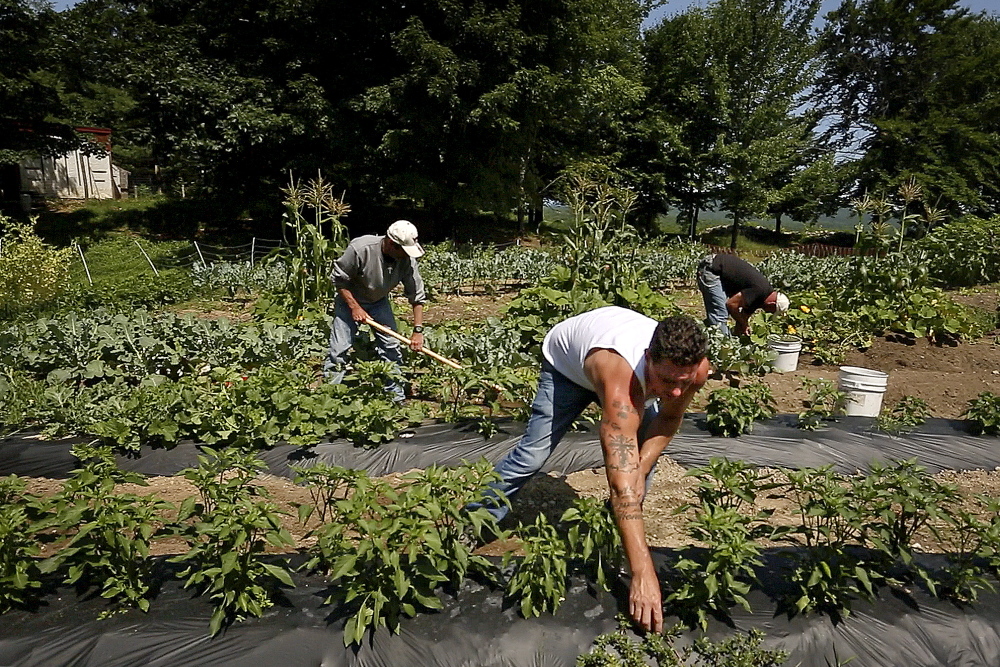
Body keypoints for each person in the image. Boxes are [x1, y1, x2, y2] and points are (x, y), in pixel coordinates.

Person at [483, 306, 710, 633]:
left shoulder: (693, 371)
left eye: (682, 382)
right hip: (568, 364)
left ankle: (614, 529)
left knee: (639, 470)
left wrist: (641, 468)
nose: (676, 392)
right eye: (666, 381)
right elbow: (622, 486)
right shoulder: (622, 386)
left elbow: (669, 418)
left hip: (613, 350)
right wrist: (643, 572)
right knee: (533, 455)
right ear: (648, 359)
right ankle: (473, 518)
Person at [324, 220, 426, 402]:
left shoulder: (406, 260)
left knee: (391, 346)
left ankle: (396, 397)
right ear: (391, 243)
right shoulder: (361, 248)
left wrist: (418, 331)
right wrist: (355, 307)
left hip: (378, 302)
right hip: (349, 301)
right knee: (339, 349)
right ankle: (331, 399)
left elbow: (416, 296)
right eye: (403, 251)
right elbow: (339, 280)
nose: (406, 256)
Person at [696, 253, 789, 336]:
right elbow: (731, 304)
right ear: (771, 304)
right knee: (720, 314)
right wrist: (743, 324)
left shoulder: (760, 299)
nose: (768, 313)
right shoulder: (760, 291)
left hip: (719, 272)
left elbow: (743, 316)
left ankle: (704, 338)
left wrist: (742, 328)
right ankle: (720, 349)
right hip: (711, 269)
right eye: (772, 311)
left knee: (719, 315)